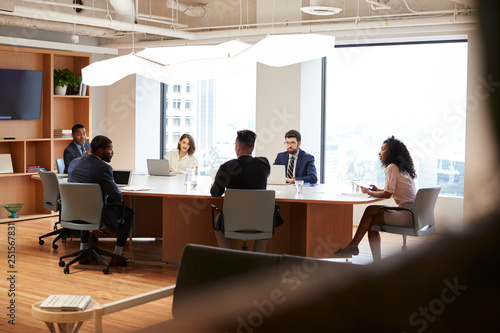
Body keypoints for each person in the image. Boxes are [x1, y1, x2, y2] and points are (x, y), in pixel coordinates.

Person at [335, 136, 417, 261]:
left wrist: (369, 192)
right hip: (412, 213)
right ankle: (360, 250)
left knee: (370, 212)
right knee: (372, 221)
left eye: (383, 149)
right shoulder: (403, 168)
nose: (380, 152)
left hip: (406, 215)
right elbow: (393, 190)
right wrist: (378, 190)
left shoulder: (392, 167)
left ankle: (355, 246)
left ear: (391, 152)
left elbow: (387, 194)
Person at [68, 135, 134, 266]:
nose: (113, 152)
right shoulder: (104, 168)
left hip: (74, 212)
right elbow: (118, 197)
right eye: (110, 149)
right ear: (100, 151)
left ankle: (83, 252)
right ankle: (117, 255)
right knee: (128, 213)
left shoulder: (74, 162)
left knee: (85, 207)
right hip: (95, 214)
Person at [210, 130, 271, 252]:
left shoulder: (227, 167)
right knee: (267, 219)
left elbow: (215, 192)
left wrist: (215, 184)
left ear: (237, 147)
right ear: (253, 147)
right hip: (260, 220)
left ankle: (228, 256)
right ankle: (258, 257)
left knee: (218, 219)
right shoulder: (264, 165)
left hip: (232, 221)